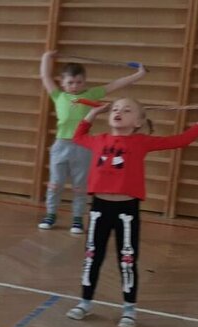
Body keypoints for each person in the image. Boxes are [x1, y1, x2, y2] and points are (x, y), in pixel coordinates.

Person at [65, 98, 198, 327]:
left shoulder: (141, 142)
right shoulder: (99, 140)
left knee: (127, 260)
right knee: (92, 256)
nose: (119, 112)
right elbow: (78, 136)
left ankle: (129, 309)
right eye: (116, 109)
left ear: (138, 122)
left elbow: (181, 140)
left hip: (126, 211)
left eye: (127, 110)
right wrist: (93, 113)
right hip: (99, 209)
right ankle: (85, 302)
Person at [38, 52, 145, 233]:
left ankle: (77, 219)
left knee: (80, 186)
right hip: (61, 145)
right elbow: (45, 76)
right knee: (55, 184)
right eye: (70, 82)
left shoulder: (91, 94)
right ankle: (50, 214)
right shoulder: (58, 96)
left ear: (84, 82)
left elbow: (115, 84)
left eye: (79, 82)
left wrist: (138, 74)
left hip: (83, 147)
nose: (75, 86)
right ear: (63, 83)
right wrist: (47, 57)